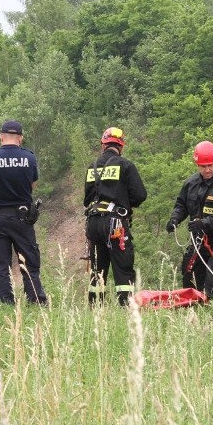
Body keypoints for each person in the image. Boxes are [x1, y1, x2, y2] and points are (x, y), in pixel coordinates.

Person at [0, 119, 48, 305]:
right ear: (21, 138)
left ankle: (5, 302)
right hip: (23, 217)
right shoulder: (30, 158)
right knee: (28, 261)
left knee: (1, 264)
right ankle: (35, 300)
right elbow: (32, 184)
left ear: (1, 136)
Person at [166, 140, 213, 299]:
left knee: (211, 284)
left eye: (210, 166)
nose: (207, 169)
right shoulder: (191, 183)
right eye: (203, 166)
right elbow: (181, 205)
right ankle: (193, 317)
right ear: (197, 164)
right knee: (189, 277)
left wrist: (204, 223)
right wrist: (175, 219)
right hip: (199, 240)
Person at [83, 127, 147, 306]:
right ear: (121, 146)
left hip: (93, 223)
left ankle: (96, 308)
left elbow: (86, 199)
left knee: (98, 269)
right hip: (115, 223)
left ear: (103, 144)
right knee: (123, 267)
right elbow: (140, 195)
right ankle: (126, 307)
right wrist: (125, 203)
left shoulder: (92, 167)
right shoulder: (125, 165)